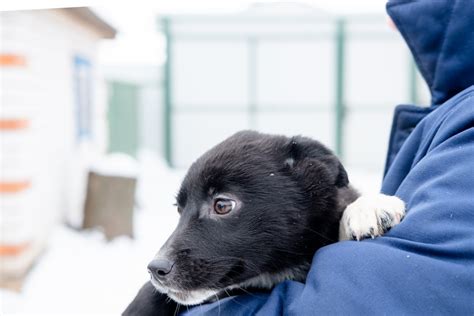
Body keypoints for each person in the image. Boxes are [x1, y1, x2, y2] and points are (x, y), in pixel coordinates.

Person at [125, 0, 474, 314]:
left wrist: (361, 208)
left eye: (222, 206)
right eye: (181, 210)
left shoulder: (462, 124)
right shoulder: (449, 111)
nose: (163, 256)